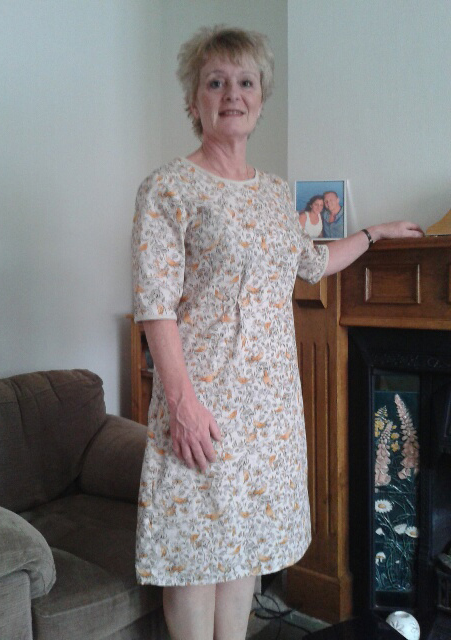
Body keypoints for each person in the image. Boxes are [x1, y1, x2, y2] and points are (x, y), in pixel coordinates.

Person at [131, 25, 423, 640]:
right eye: (216, 82)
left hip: (267, 410)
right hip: (202, 403)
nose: (231, 94)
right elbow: (154, 304)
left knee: (243, 548)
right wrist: (181, 403)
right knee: (194, 552)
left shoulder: (271, 195)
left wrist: (373, 234)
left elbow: (312, 262)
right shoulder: (168, 187)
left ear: (261, 99)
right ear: (193, 101)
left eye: (245, 82)